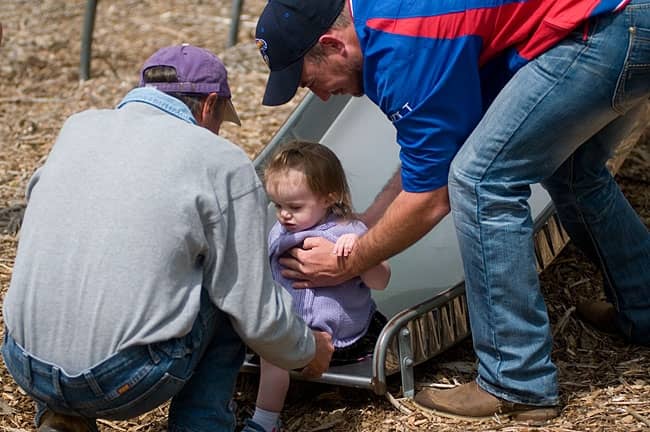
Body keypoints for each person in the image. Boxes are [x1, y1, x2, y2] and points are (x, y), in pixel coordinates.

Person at [254, 0, 650, 422]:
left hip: (606, 27)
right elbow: (431, 159)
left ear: (333, 45)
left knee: (482, 182)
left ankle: (517, 381)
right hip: (614, 19)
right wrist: (366, 224)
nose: (318, 94)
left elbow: (432, 197)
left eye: (307, 79)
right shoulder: (387, 25)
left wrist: (348, 263)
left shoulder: (400, 48)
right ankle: (643, 308)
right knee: (574, 171)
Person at [1, 44, 334, 432]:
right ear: (210, 105)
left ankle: (63, 417)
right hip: (118, 380)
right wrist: (306, 350)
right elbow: (253, 310)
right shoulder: (220, 160)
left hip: (24, 361)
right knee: (225, 288)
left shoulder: (79, 127)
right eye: (221, 120)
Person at [242, 140, 390, 432]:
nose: (284, 215)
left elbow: (381, 281)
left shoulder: (348, 231)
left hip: (345, 341)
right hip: (296, 335)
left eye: (295, 207)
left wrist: (360, 256)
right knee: (272, 354)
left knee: (274, 354)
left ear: (328, 198)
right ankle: (265, 421)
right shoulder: (279, 231)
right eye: (278, 205)